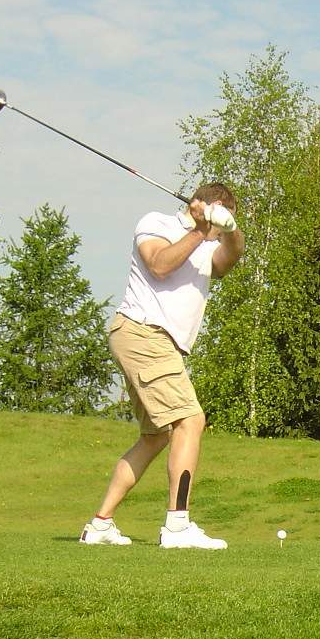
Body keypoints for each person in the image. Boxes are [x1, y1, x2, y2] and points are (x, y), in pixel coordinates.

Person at [79, 183, 244, 549]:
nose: (218, 233)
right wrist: (200, 230)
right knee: (190, 420)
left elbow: (231, 257)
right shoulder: (156, 223)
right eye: (221, 219)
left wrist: (230, 229)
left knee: (156, 436)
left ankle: (100, 524)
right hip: (143, 332)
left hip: (155, 342)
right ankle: (177, 526)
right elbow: (159, 265)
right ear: (207, 205)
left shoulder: (211, 247)